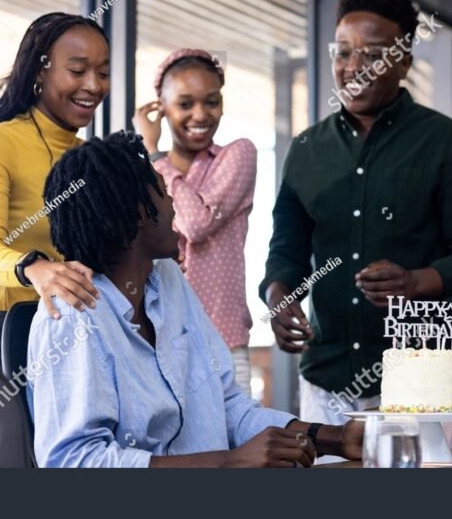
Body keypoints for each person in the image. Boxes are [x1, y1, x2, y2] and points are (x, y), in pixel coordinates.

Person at [27, 131, 364, 467]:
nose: (173, 201)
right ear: (140, 213)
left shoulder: (169, 280)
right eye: (163, 190)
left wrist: (334, 438)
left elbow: (228, 404)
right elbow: (72, 461)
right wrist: (229, 465)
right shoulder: (71, 316)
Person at [260, 0, 452, 431]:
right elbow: (286, 252)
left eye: (372, 55)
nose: (354, 68)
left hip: (420, 374)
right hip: (326, 379)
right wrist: (279, 298)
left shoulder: (450, 145)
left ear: (404, 60)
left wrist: (415, 281)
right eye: (343, 52)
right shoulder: (307, 148)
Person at [0, 12, 107, 370]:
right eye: (77, 70)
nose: (93, 85)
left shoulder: (91, 158)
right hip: (14, 340)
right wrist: (34, 268)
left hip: (79, 341)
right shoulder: (2, 141)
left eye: (103, 73)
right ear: (42, 71)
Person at [132, 49, 256, 394]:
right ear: (161, 107)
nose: (200, 115)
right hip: (159, 341)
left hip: (224, 340)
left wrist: (154, 153)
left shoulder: (239, 155)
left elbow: (194, 224)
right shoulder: (141, 172)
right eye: (185, 104)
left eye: (211, 102)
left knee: (240, 444)